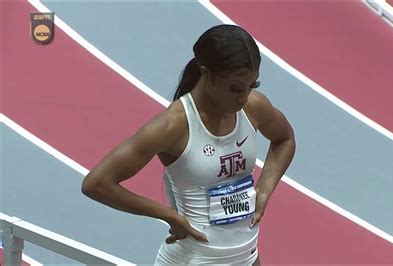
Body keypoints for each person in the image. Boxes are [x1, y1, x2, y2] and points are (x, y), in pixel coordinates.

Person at [81, 24, 295, 265]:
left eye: (252, 86)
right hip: (192, 259)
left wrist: (265, 189)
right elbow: (97, 184)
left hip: (246, 257)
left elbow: (284, 139)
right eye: (235, 88)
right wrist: (168, 215)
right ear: (207, 74)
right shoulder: (173, 126)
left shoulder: (253, 107)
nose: (244, 97)